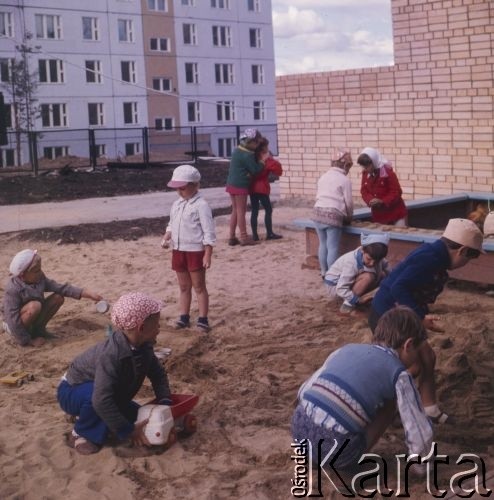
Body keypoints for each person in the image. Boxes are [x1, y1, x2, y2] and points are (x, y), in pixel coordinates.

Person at [369, 218, 484, 424]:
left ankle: (429, 408)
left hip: (405, 314)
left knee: (428, 357)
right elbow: (398, 288)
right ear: (462, 251)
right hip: (388, 316)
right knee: (409, 367)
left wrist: (420, 316)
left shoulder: (435, 255)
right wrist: (420, 318)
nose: (469, 261)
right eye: (472, 255)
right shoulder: (429, 259)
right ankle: (381, 408)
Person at [292, 306, 433, 473]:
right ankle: (348, 460)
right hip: (336, 452)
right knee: (390, 403)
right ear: (408, 345)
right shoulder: (398, 373)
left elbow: (306, 389)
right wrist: (421, 464)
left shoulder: (347, 349)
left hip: (298, 431)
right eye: (417, 352)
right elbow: (417, 425)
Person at [57, 292, 172, 455]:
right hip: (72, 391)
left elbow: (158, 375)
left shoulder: (144, 348)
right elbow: (101, 399)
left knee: (139, 416)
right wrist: (128, 431)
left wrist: (165, 400)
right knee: (98, 401)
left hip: (108, 393)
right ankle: (79, 434)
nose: (159, 328)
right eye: (156, 324)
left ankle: (91, 418)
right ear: (142, 328)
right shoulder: (112, 355)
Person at [2, 249, 102, 347]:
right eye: (36, 271)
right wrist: (28, 341)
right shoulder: (13, 289)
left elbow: (61, 288)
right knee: (35, 306)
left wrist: (88, 294)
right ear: (22, 275)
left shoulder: (39, 278)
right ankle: (28, 336)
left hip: (31, 316)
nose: (40, 272)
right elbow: (12, 320)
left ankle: (39, 330)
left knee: (58, 297)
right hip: (14, 325)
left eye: (40, 269)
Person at [161, 164, 216, 333]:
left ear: (196, 185)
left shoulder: (201, 205)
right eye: (177, 189)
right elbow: (171, 223)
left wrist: (207, 254)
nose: (179, 192)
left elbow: (208, 232)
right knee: (184, 287)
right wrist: (167, 235)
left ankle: (203, 319)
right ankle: (184, 317)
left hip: (195, 251)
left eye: (183, 188)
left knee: (199, 286)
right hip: (178, 250)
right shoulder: (176, 204)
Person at [312, 147, 354, 278]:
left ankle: (324, 271)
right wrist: (349, 216)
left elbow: (318, 195)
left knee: (323, 244)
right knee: (333, 247)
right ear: (345, 165)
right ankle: (332, 274)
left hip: (317, 212)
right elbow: (348, 202)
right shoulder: (344, 180)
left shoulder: (323, 177)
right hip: (333, 216)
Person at [324, 233, 390, 314]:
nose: (372, 263)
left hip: (347, 284)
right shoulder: (351, 262)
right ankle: (347, 305)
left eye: (377, 261)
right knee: (368, 277)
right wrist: (357, 300)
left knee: (383, 275)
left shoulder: (377, 257)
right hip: (335, 287)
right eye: (369, 259)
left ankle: (354, 297)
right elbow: (340, 288)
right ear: (362, 250)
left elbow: (388, 269)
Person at [225, 128, 264, 246]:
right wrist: (263, 162)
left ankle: (231, 236)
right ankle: (244, 237)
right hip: (240, 185)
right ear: (252, 142)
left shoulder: (237, 150)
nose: (257, 146)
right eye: (257, 143)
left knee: (235, 211)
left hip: (231, 184)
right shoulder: (248, 155)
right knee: (241, 211)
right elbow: (255, 169)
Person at [358, 147, 408, 226]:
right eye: (364, 167)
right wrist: (370, 200)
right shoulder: (365, 174)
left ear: (373, 162)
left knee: (399, 236)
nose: (366, 169)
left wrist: (382, 201)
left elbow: (396, 192)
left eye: (367, 166)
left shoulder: (387, 172)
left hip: (395, 213)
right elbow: (364, 191)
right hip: (379, 216)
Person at [249, 136, 283, 241]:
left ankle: (255, 235)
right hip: (262, 187)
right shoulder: (266, 159)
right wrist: (271, 158)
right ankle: (269, 233)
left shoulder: (252, 157)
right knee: (268, 209)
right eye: (267, 146)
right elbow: (278, 171)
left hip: (252, 187)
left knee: (254, 210)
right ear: (263, 147)